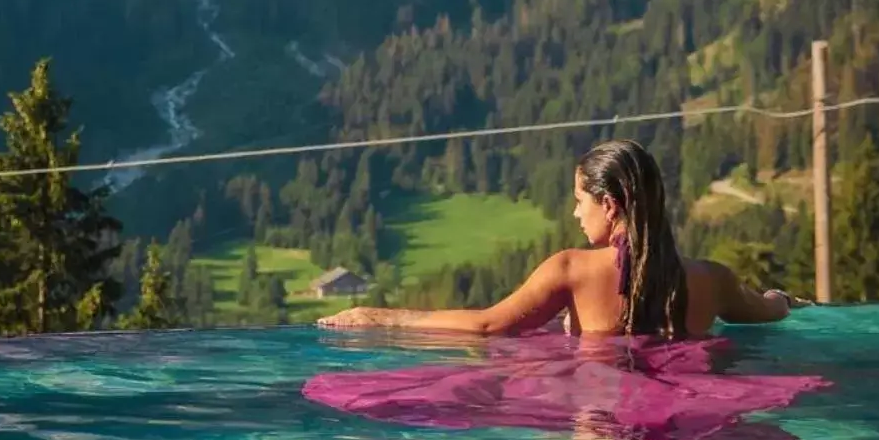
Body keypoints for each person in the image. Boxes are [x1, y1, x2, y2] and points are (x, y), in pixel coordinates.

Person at [317, 139, 803, 338]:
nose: (574, 213)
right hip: (687, 430)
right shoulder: (712, 280)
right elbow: (767, 310)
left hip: (600, 435)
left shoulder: (572, 271)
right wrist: (786, 299)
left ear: (608, 205)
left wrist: (377, 317)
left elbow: (486, 327)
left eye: (579, 200)